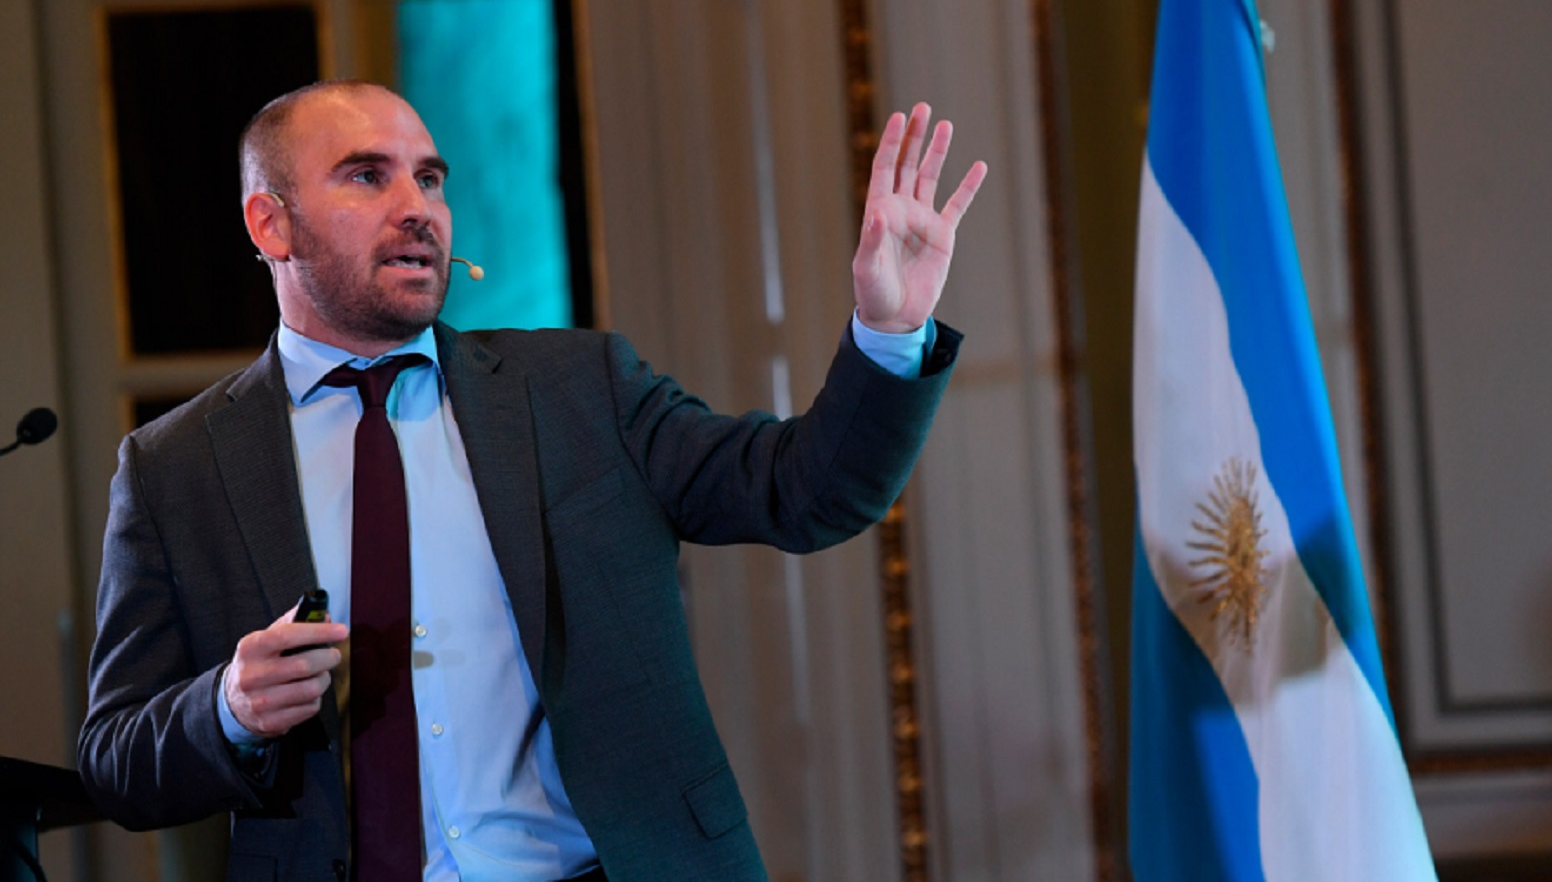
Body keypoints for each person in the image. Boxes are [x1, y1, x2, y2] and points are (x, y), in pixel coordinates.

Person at [77, 79, 986, 881]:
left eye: (429, 179)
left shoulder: (581, 389)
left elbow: (807, 491)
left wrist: (888, 330)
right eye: (367, 177)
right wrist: (228, 709)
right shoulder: (174, 468)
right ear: (270, 223)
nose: (418, 209)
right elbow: (114, 761)